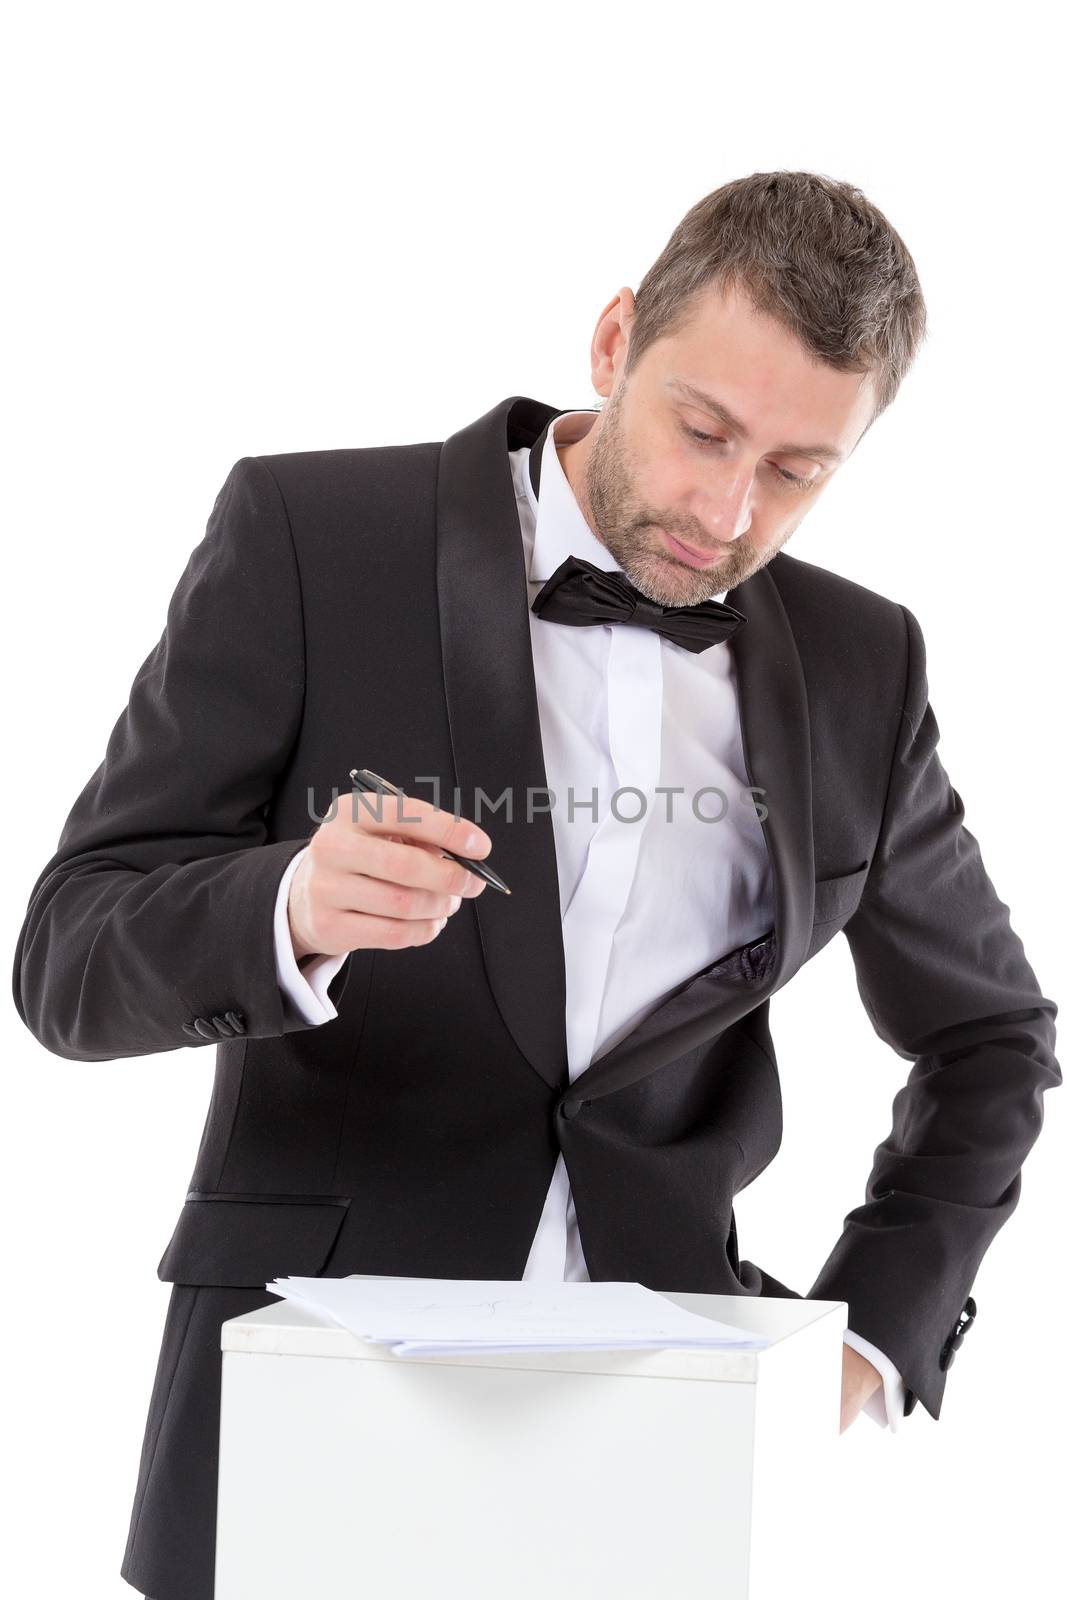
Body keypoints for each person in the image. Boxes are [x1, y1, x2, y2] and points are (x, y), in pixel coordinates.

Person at [12, 170, 1060, 1600]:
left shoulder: (864, 665)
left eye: (799, 470)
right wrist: (289, 911)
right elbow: (66, 961)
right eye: (704, 430)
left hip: (673, 1440)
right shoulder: (316, 537)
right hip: (307, 1389)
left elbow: (992, 1037)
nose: (727, 509)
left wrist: (871, 1333)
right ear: (616, 338)